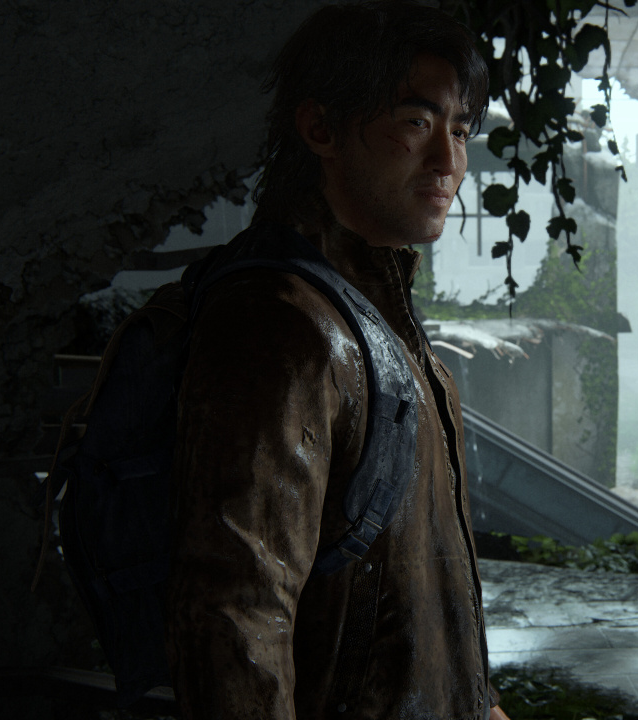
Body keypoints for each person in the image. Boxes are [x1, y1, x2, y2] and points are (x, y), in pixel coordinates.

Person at [164, 3, 509, 718]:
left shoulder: (382, 324)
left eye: (459, 130)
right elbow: (235, 622)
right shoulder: (280, 326)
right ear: (320, 128)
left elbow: (424, 619)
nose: (449, 163)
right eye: (415, 123)